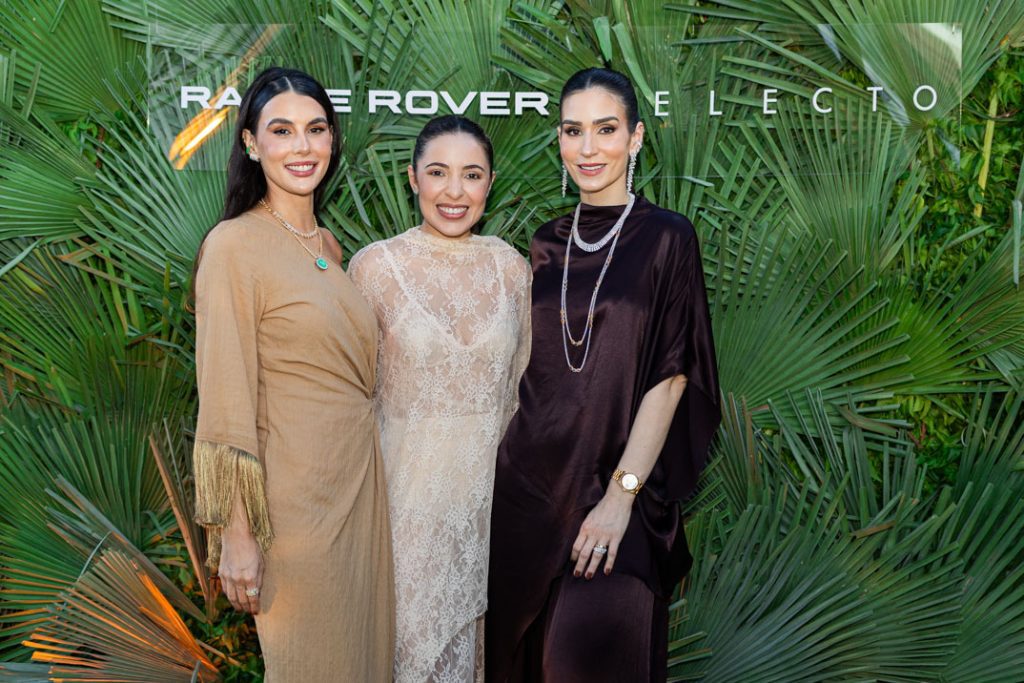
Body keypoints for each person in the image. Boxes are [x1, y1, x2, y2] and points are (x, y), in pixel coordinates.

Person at [486, 67, 722, 682]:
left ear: (636, 137)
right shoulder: (543, 244)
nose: (588, 148)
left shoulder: (669, 238)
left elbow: (672, 378)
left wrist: (620, 498)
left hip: (619, 498)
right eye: (573, 131)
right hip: (528, 496)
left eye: (606, 129)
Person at [190, 66, 393, 681]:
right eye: (282, 131)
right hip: (293, 516)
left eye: (316, 129)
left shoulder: (329, 247)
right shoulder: (233, 246)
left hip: (359, 494)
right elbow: (226, 400)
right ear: (251, 143)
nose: (303, 147)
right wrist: (238, 534)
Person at [349, 115, 531, 682]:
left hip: (491, 517)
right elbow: (353, 399)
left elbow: (524, 396)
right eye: (437, 173)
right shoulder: (374, 268)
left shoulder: (512, 269)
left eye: (471, 175)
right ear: (413, 179)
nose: (454, 191)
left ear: (490, 183)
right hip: (403, 517)